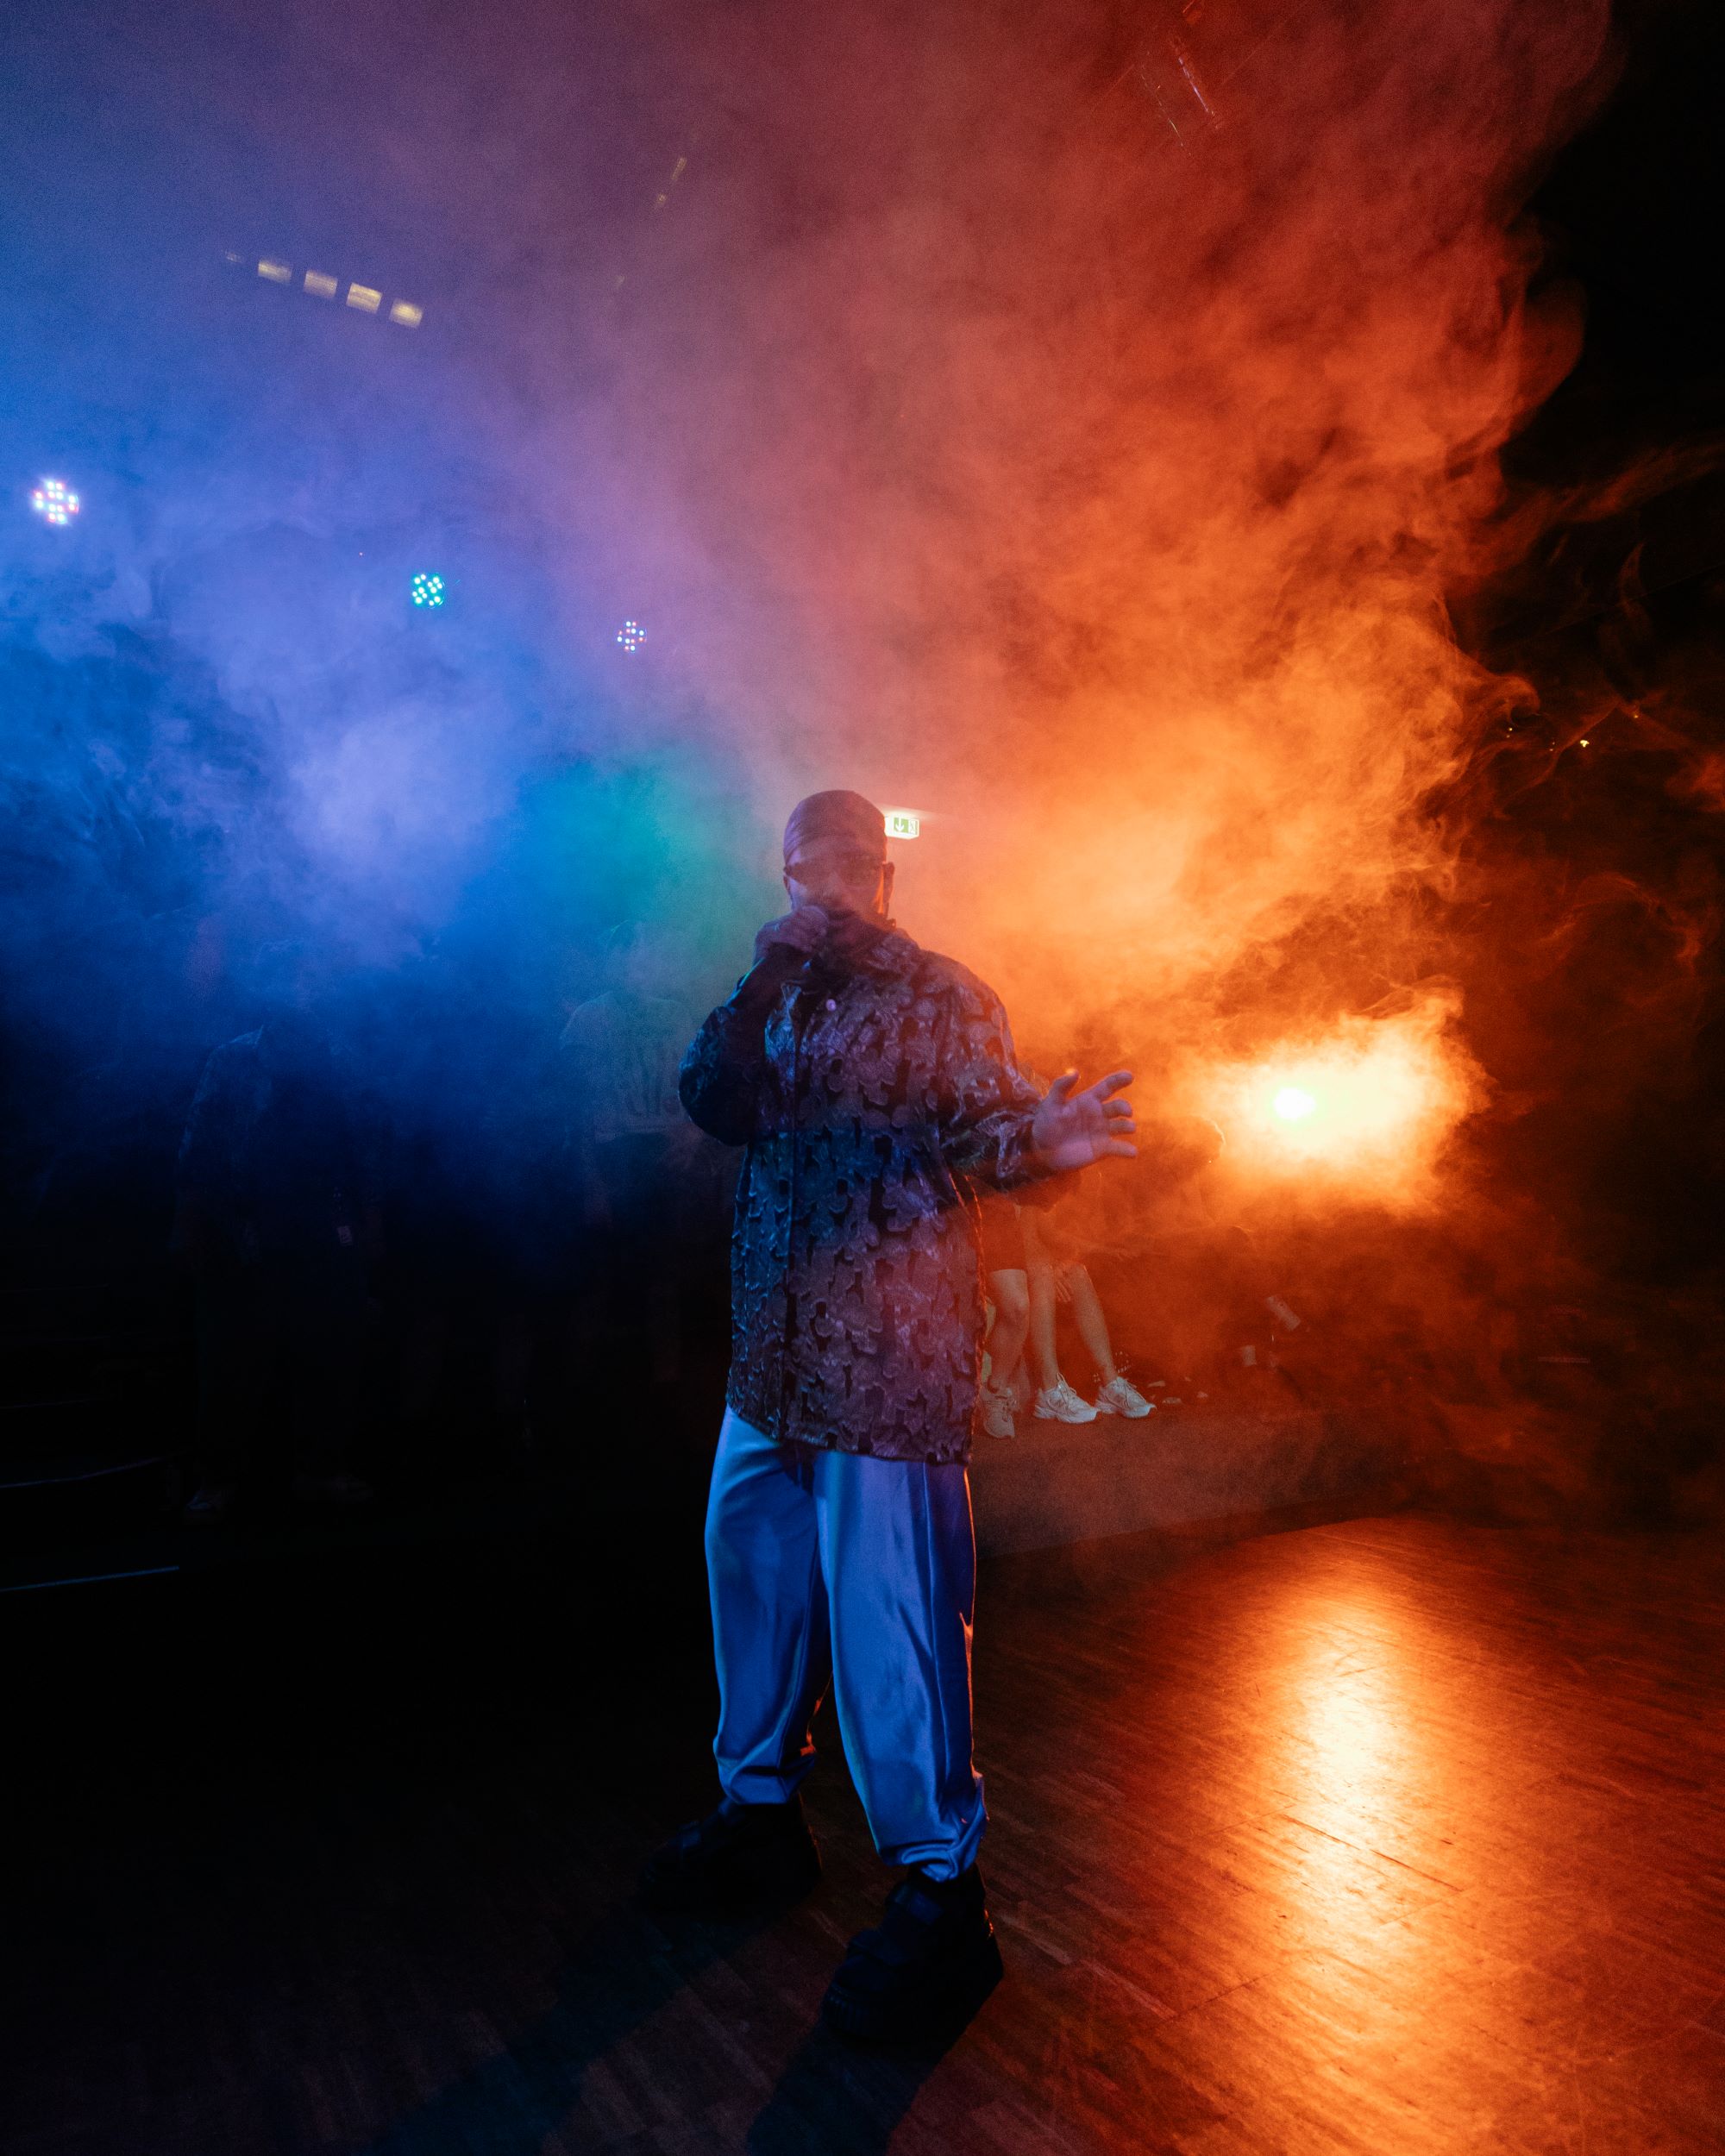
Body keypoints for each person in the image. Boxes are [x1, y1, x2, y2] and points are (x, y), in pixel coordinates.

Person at [643, 788, 1136, 2043]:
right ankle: (759, 1813)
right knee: (746, 1578)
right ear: (787, 873)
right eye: (812, 867)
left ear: (886, 877)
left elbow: (990, 1122)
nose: (833, 886)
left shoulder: (941, 993)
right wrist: (763, 984)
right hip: (775, 1351)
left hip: (887, 1355)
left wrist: (1047, 1137)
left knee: (893, 1626)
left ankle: (938, 1886)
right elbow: (711, 1098)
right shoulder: (774, 991)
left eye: (855, 866)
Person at [172, 996, 378, 1526]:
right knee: (231, 1360)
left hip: (320, 1227)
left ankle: (320, 1469)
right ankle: (220, 1478)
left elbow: (363, 1150)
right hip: (243, 1228)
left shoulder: (338, 1055)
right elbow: (199, 1151)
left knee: (329, 1355)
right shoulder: (233, 1059)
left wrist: (365, 1230)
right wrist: (195, 1226)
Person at [1021, 1194, 1156, 1423]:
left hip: (1034, 1260)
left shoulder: (1040, 1182)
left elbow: (1049, 1233)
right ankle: (1050, 1389)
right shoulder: (1011, 1173)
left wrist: (1099, 1251)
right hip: (1001, 1263)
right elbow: (1020, 1241)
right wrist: (1049, 1268)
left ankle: (1110, 1383)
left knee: (1078, 1273)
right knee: (1043, 1276)